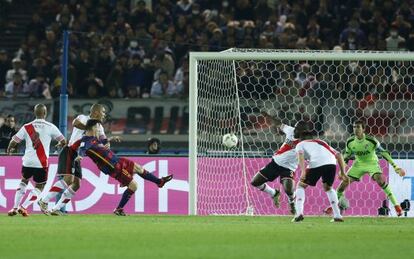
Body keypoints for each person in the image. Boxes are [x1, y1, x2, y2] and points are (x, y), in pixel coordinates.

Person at [71, 119, 173, 216]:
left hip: (117, 160)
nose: (98, 129)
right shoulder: (86, 140)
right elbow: (82, 148)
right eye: (97, 127)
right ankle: (119, 209)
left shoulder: (95, 139)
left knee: (138, 168)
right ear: (92, 127)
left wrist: (111, 139)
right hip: (113, 166)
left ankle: (159, 182)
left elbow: (101, 145)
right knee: (134, 186)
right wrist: (80, 156)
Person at [326, 120, 405, 216]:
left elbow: (384, 152)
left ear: (363, 129)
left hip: (372, 163)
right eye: (354, 127)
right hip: (358, 164)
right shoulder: (350, 142)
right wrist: (342, 171)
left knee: (380, 180)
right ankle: (332, 207)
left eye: (358, 127)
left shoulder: (371, 140)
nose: (356, 129)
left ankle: (397, 206)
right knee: (343, 185)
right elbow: (346, 156)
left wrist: (396, 167)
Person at [7, 104, 66, 217]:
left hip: (28, 161)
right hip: (42, 162)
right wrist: (59, 144)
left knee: (24, 181)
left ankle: (14, 207)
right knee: (40, 186)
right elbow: (64, 141)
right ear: (45, 113)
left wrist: (9, 149)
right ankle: (23, 207)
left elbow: (14, 141)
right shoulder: (50, 126)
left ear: (35, 113)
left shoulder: (27, 126)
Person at [250, 112, 309, 214]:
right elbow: (278, 124)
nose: (295, 131)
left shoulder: (305, 144)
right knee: (255, 182)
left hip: (289, 168)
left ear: (303, 132)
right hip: (275, 163)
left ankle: (291, 202)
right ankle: (273, 193)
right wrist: (268, 116)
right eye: (295, 128)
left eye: (297, 130)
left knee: (288, 189)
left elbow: (309, 157)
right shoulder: (290, 130)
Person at [292, 122, 348, 222]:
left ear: (301, 138)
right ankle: (337, 215)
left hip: (317, 163)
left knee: (300, 186)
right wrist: (343, 173)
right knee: (329, 188)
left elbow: (300, 156)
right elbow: (339, 154)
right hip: (331, 163)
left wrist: (303, 172)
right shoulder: (322, 142)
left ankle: (299, 213)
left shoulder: (300, 144)